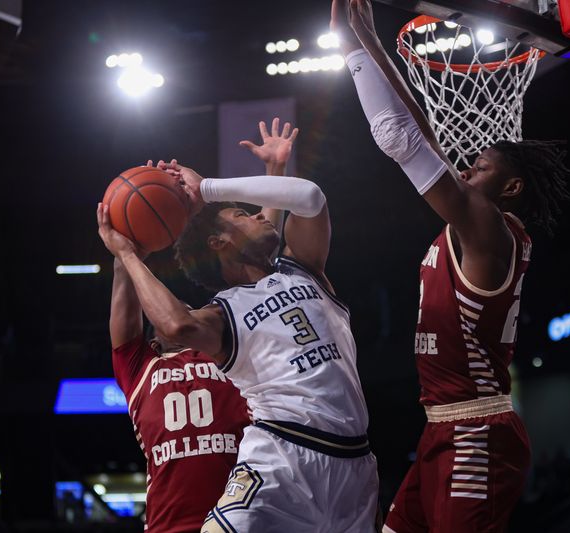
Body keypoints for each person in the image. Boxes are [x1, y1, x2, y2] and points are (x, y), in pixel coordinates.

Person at [331, 1, 570, 531]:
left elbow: (401, 139)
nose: (465, 166)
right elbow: (419, 132)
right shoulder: (474, 225)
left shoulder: (488, 227)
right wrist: (366, 41)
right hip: (441, 428)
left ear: (510, 188)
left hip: (478, 431)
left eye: (480, 166)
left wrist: (357, 47)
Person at [97, 118, 379, 532]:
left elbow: (309, 197)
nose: (260, 217)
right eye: (242, 215)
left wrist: (213, 187)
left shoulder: (302, 270)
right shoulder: (221, 315)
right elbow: (176, 325)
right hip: (281, 455)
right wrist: (128, 253)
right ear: (218, 242)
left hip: (356, 464)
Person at [108, 119, 296, 532]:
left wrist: (275, 174)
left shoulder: (227, 343)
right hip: (170, 525)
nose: (174, 312)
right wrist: (126, 247)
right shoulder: (140, 368)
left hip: (251, 516)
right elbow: (126, 312)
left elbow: (256, 264)